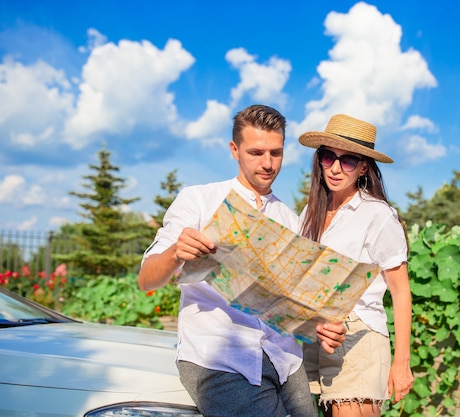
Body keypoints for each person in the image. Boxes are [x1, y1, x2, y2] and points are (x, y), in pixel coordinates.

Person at [137, 104, 347, 417]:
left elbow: (288, 302)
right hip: (221, 360)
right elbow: (146, 280)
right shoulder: (199, 200)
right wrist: (174, 254)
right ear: (234, 150)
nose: (267, 163)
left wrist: (319, 326)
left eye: (276, 153)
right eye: (256, 152)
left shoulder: (290, 221)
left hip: (285, 361)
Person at [298, 114, 414, 417]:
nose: (335, 168)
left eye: (348, 160)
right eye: (328, 157)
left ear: (364, 167)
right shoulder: (309, 213)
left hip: (357, 335)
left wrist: (401, 364)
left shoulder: (377, 215)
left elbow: (400, 293)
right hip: (314, 334)